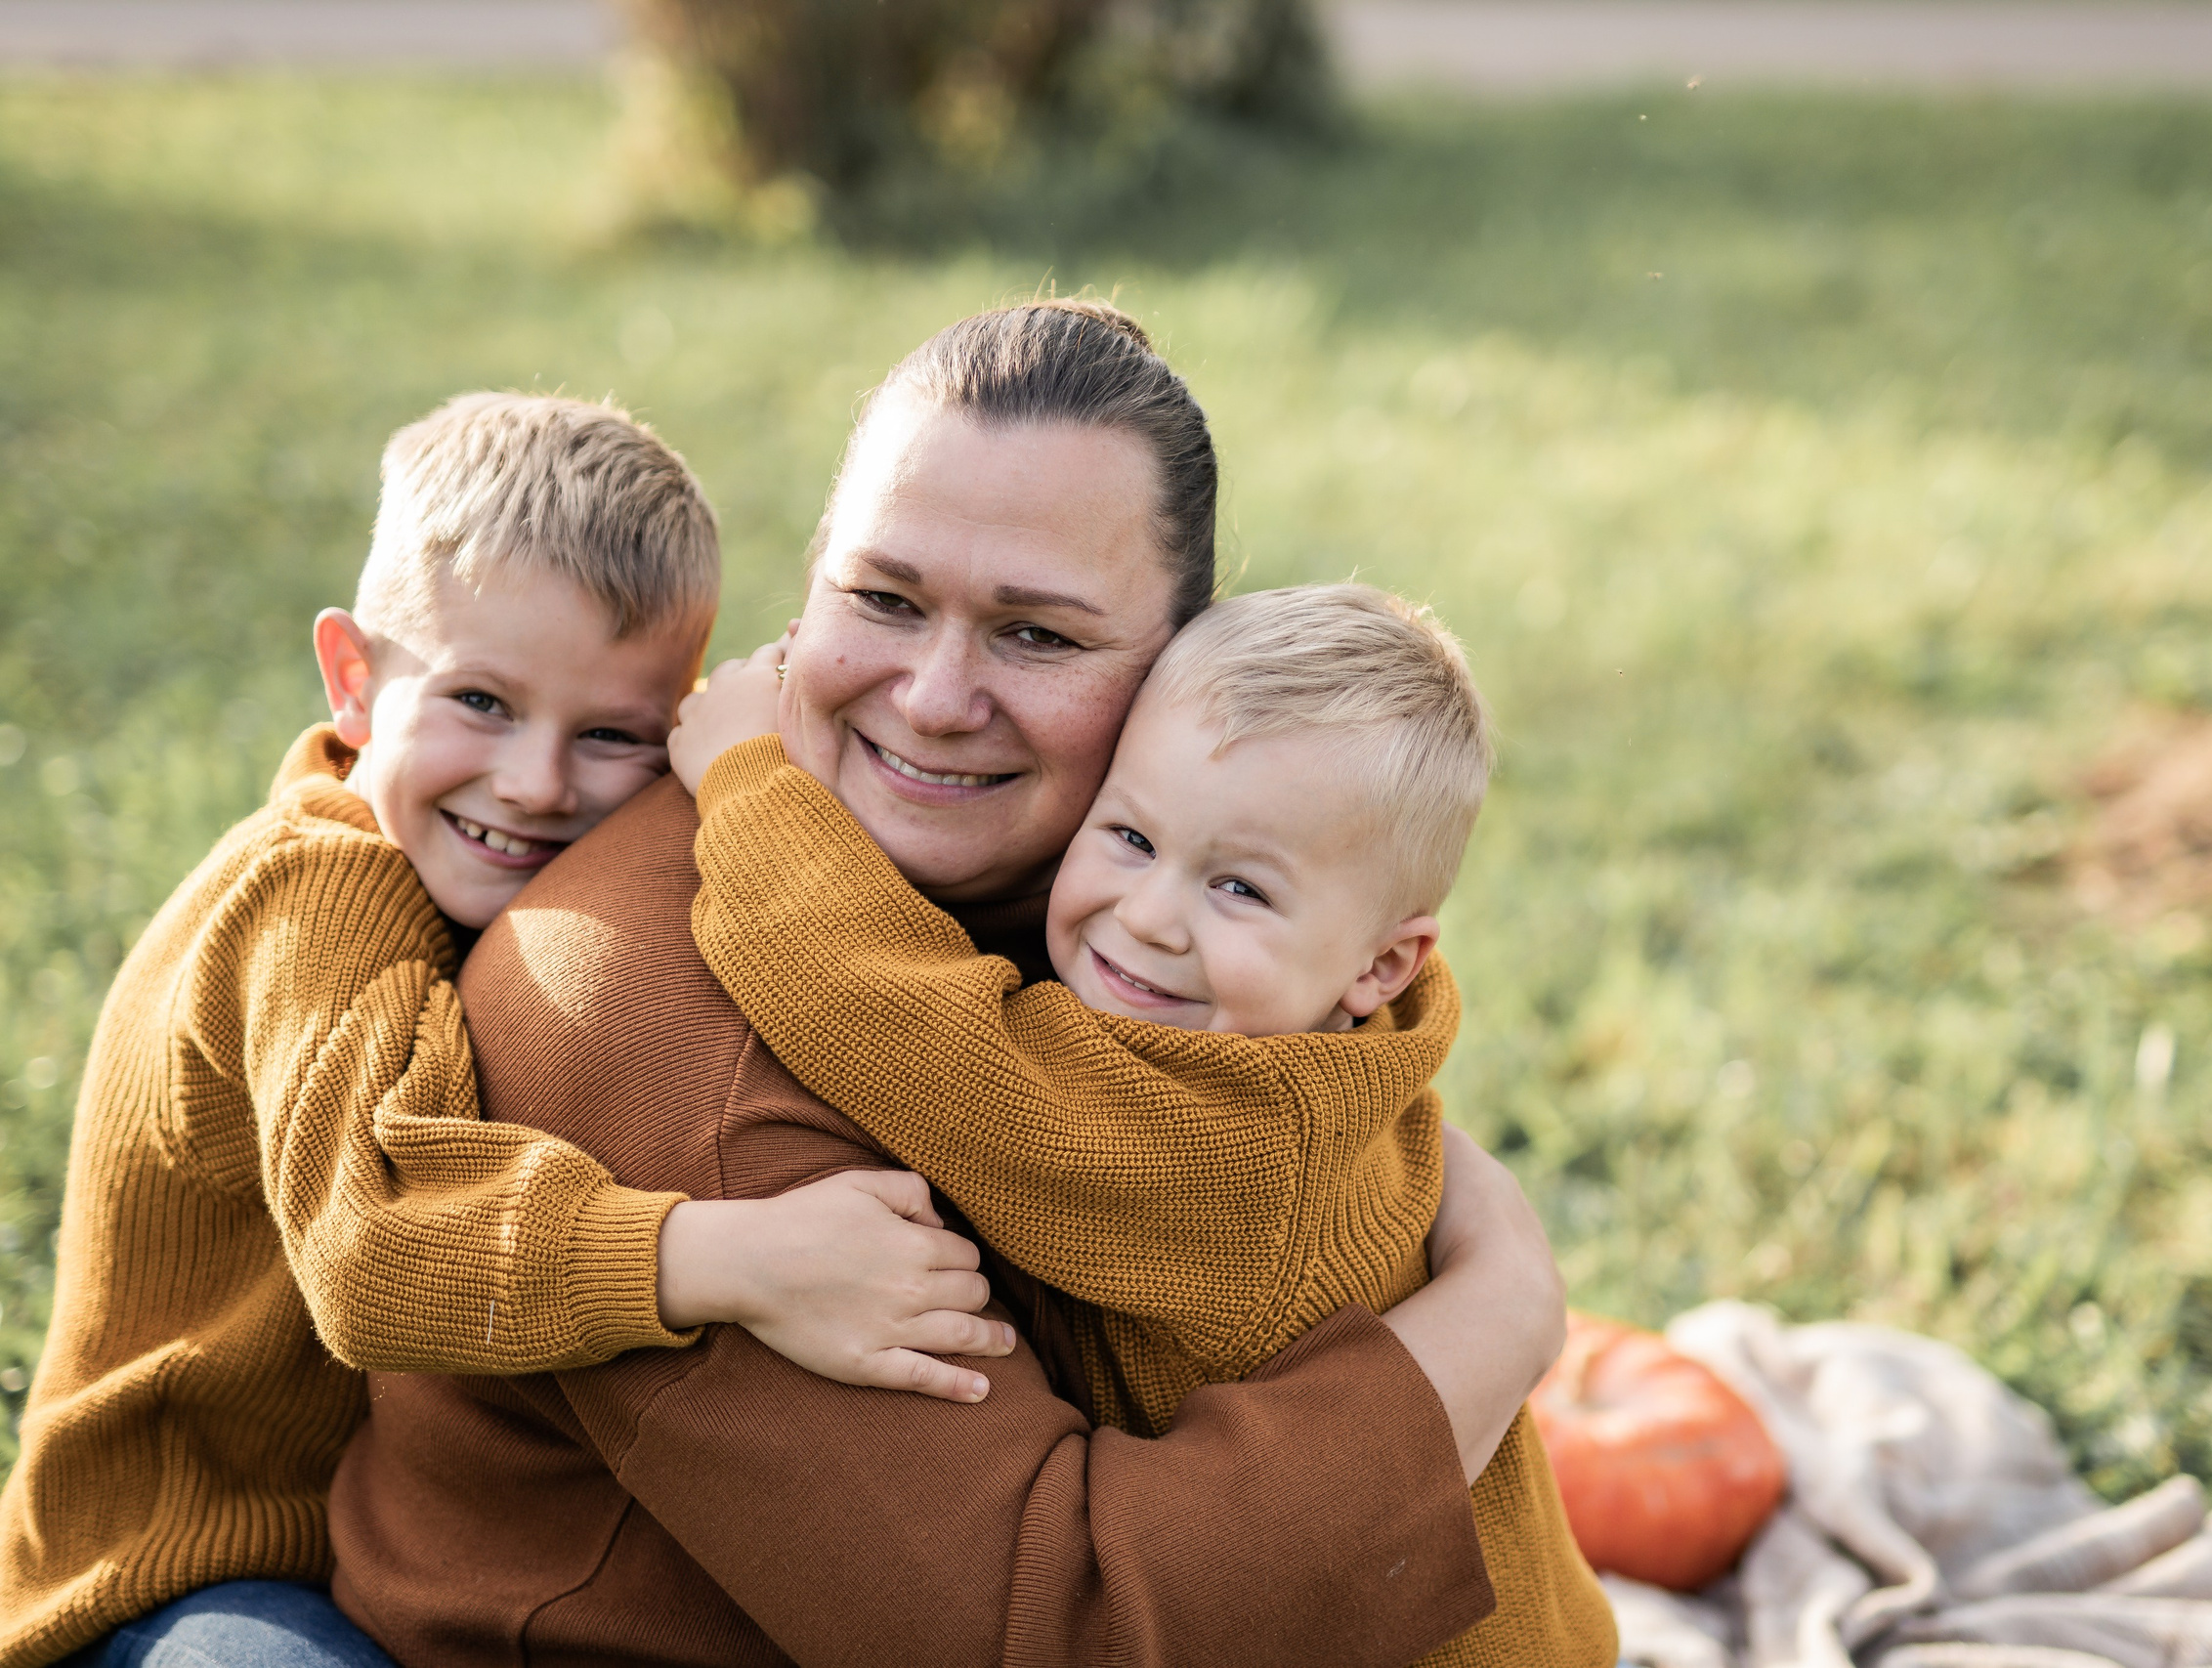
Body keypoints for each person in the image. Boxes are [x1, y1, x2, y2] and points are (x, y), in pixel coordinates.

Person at [326, 300, 1571, 1666]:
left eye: (1037, 633)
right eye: (884, 597)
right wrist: (1499, 1316)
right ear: (808, 590)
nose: (931, 696)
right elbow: (1057, 1631)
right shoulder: (683, 1046)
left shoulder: (1114, 913)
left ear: (1175, 668)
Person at [3, 395, 1007, 1668]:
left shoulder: (456, 873)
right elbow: (370, 1247)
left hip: (366, 1554)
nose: (536, 782)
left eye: (610, 735)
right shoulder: (316, 890)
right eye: (481, 700)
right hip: (178, 1570)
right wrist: (736, 1255)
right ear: (354, 677)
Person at [671, 580, 1621, 1667]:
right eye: (1127, 835)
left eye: (1241, 891)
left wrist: (747, 778)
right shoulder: (1329, 1059)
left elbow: (897, 1020)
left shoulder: (1219, 1147)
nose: (1149, 914)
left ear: (1381, 964)